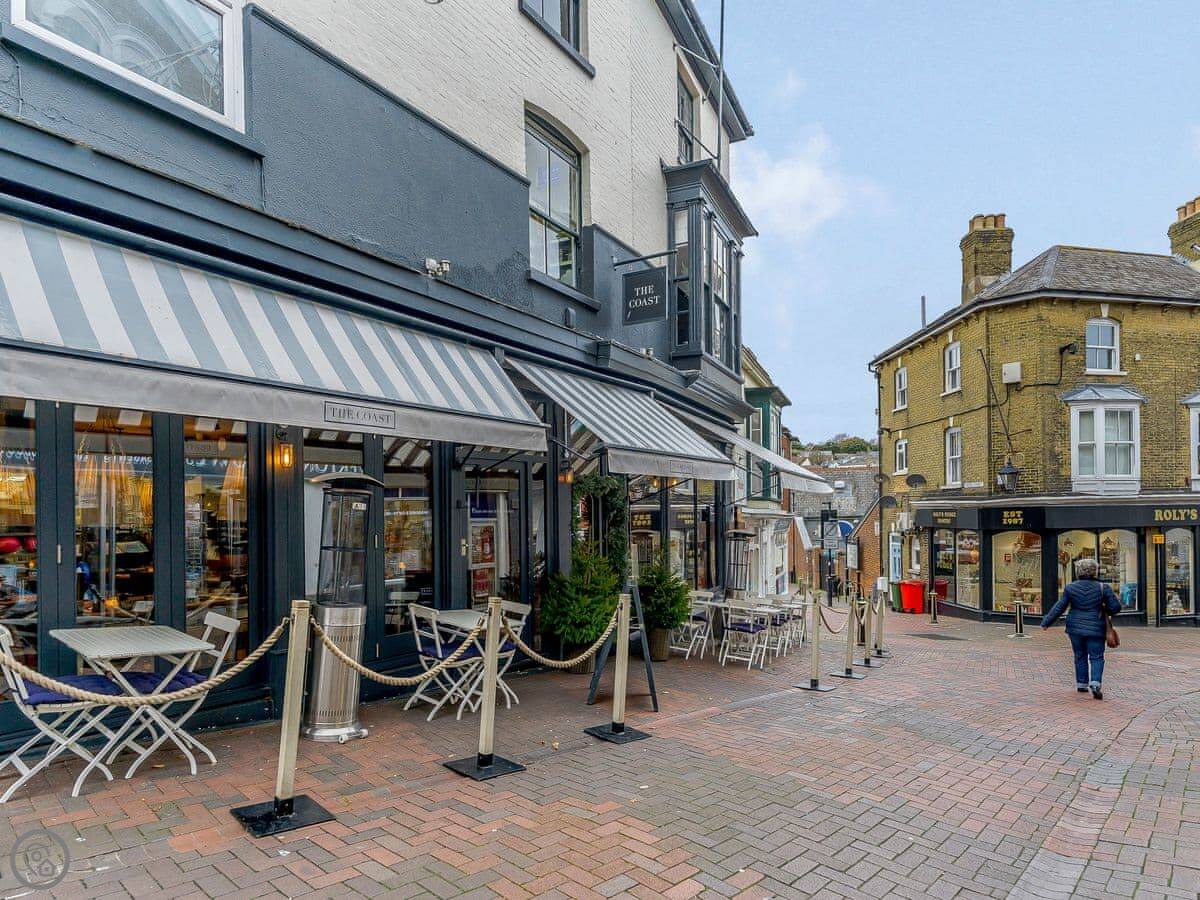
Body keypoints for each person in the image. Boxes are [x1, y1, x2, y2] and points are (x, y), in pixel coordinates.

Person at [1042, 558, 1121, 699]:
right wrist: (1104, 609)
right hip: (1096, 627)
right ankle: (1095, 683)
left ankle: (1081, 684)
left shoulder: (1071, 588)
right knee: (1097, 656)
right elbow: (1115, 607)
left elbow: (1060, 607)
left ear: (1078, 571)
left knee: (1080, 655)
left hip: (1075, 628)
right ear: (1095, 571)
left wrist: (1047, 622)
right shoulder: (1103, 588)